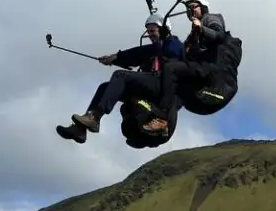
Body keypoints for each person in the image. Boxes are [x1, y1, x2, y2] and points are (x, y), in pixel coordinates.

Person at [56, 14, 184, 144]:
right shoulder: (153, 53)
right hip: (151, 87)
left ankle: (94, 117)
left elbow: (144, 53)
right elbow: (137, 58)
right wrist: (114, 60)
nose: (150, 35)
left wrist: (117, 56)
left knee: (120, 75)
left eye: (153, 31)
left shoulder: (174, 44)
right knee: (105, 87)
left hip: (163, 86)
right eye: (148, 32)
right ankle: (81, 128)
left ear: (164, 30)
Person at [142, 0, 232, 134]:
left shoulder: (210, 18)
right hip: (199, 74)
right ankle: (163, 126)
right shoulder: (193, 35)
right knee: (173, 87)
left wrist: (202, 29)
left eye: (193, 7)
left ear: (202, 7)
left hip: (210, 73)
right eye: (188, 9)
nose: (190, 11)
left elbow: (219, 35)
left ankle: (162, 119)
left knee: (171, 69)